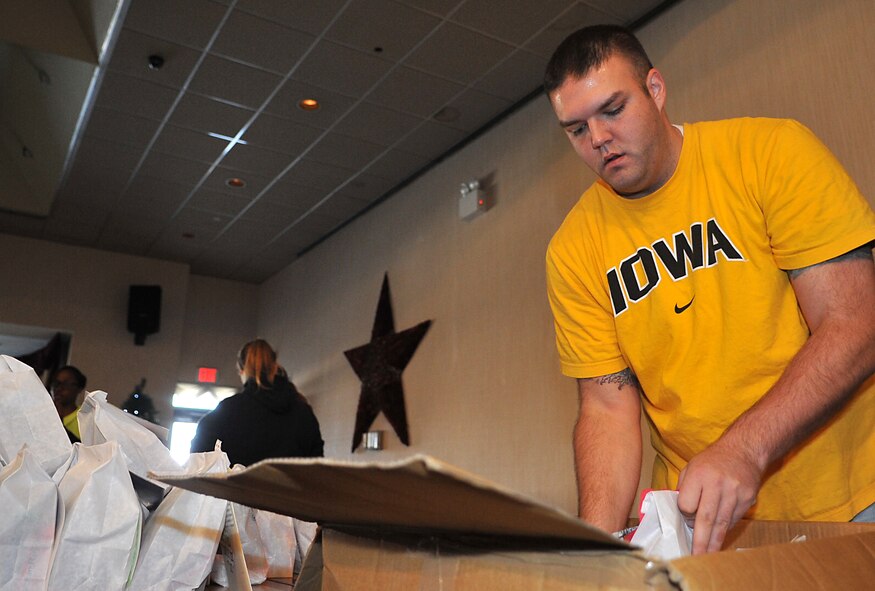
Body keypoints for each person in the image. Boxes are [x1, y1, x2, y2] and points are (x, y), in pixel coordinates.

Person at [543, 25, 875, 555]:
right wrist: (596, 553)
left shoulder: (768, 152)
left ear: (655, 88)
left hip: (851, 494)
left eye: (612, 109)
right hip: (703, 524)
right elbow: (607, 411)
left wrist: (744, 448)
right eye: (577, 129)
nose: (599, 138)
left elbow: (856, 322)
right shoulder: (573, 249)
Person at [190, 339, 324, 465]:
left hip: (239, 489)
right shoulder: (303, 411)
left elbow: (198, 459)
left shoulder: (227, 411)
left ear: (242, 371)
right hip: (289, 490)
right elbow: (316, 468)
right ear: (275, 365)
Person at [49, 365, 87, 443]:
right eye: (57, 383)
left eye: (66, 384)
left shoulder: (85, 418)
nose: (60, 388)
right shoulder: (44, 414)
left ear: (79, 388)